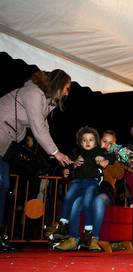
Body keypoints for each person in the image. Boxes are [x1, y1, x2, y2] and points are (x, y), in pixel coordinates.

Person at [0, 69, 73, 253]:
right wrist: (56, 152)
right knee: (2, 185)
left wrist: (54, 153)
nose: (67, 93)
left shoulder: (44, 100)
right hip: (1, 136)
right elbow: (37, 126)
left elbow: (44, 127)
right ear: (58, 83)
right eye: (66, 88)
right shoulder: (33, 93)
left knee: (3, 186)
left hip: (5, 144)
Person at [55, 130, 125, 252]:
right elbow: (78, 169)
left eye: (110, 143)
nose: (107, 145)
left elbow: (120, 175)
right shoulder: (92, 153)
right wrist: (73, 165)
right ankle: (73, 239)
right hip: (89, 187)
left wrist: (107, 163)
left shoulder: (113, 157)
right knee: (76, 202)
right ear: (99, 142)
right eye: (104, 142)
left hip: (105, 190)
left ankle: (94, 239)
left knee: (98, 201)